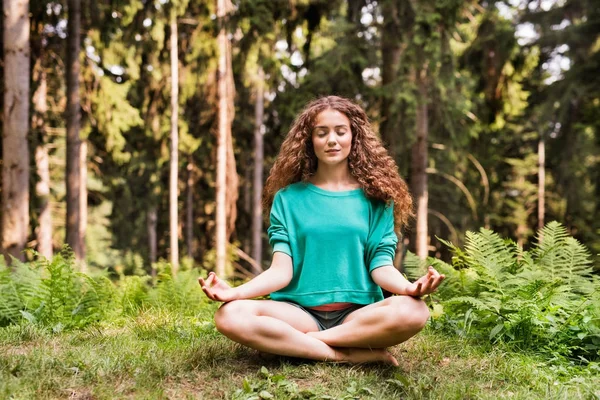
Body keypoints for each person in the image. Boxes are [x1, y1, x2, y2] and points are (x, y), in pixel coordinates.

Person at [199, 95, 445, 365]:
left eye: (341, 131)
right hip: (297, 313)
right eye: (321, 132)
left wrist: (410, 288)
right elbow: (282, 271)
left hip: (358, 315)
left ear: (354, 138)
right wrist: (234, 293)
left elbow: (381, 266)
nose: (332, 140)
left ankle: (294, 344)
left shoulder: (378, 199)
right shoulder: (287, 199)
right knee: (228, 316)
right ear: (309, 140)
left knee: (415, 312)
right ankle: (345, 355)